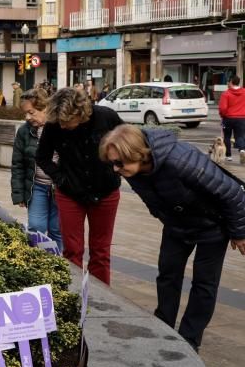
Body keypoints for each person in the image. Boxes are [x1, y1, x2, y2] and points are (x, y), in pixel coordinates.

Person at [99, 124, 245, 350]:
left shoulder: (181, 161)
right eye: (112, 163)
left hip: (212, 226)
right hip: (177, 225)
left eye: (119, 162)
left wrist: (239, 232)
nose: (115, 169)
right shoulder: (133, 169)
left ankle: (189, 340)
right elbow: (152, 199)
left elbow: (232, 193)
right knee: (167, 275)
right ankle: (164, 327)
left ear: (138, 154)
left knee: (204, 283)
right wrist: (165, 217)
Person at [36, 87, 123, 284]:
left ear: (80, 113)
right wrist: (60, 179)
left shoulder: (106, 117)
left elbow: (127, 143)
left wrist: (117, 167)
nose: (63, 126)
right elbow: (42, 157)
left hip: (105, 191)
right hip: (70, 193)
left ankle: (103, 300)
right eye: (60, 122)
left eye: (67, 121)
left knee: (101, 251)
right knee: (72, 250)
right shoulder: (54, 125)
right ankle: (75, 297)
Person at [10, 88, 63, 252]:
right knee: (35, 228)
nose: (27, 117)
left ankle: (56, 265)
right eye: (25, 113)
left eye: (31, 112)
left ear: (45, 108)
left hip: (60, 188)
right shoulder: (24, 132)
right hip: (37, 187)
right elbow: (17, 164)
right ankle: (39, 263)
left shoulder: (61, 126)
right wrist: (18, 193)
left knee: (57, 229)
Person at [218, 76, 245, 163]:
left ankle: (228, 156)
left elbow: (223, 108)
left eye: (229, 82)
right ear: (238, 83)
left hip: (228, 118)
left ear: (231, 82)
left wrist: (222, 115)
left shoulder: (226, 94)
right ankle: (242, 150)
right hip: (241, 118)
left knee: (227, 137)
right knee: (240, 136)